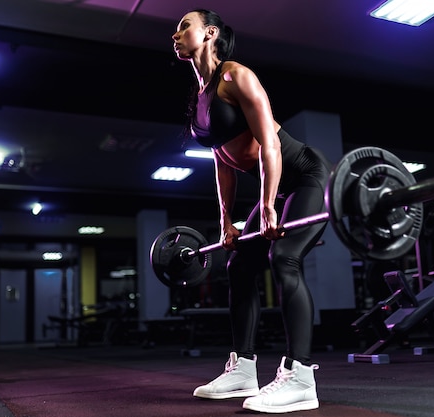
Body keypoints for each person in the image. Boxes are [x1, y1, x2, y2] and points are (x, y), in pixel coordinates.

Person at [172, 9, 332, 414]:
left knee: (285, 258)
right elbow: (223, 161)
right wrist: (226, 221)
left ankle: (301, 378)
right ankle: (243, 369)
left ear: (209, 33)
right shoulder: (201, 96)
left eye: (183, 26)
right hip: (276, 188)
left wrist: (265, 206)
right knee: (239, 266)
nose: (175, 34)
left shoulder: (237, 75)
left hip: (306, 175)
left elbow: (270, 147)